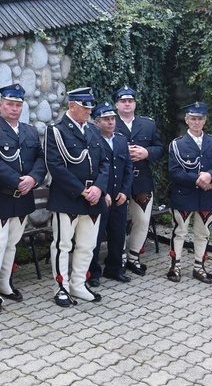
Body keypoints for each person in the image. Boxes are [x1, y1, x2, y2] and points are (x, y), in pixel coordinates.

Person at [0, 83, 46, 312]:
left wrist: (33, 179)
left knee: (12, 244)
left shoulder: (30, 131)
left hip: (23, 198)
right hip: (0, 197)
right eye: (10, 104)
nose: (14, 109)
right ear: (0, 105)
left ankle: (5, 284)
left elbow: (40, 159)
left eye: (18, 105)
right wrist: (18, 181)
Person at [45, 87, 109, 307]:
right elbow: (56, 166)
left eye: (90, 107)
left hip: (94, 197)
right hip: (69, 197)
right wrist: (82, 191)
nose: (89, 111)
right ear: (72, 106)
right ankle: (61, 287)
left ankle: (78, 284)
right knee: (63, 245)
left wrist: (99, 188)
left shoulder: (93, 131)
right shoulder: (56, 131)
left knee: (87, 245)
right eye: (85, 107)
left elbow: (105, 163)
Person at [167, 102, 212, 283]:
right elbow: (174, 171)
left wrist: (210, 175)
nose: (196, 122)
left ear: (205, 120)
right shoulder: (177, 144)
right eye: (193, 118)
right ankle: (175, 266)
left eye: (200, 119)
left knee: (203, 233)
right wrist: (199, 180)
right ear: (187, 120)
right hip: (184, 194)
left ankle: (199, 267)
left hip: (208, 196)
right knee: (180, 232)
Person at [113, 86, 165, 276]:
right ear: (117, 104)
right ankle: (119, 257)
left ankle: (133, 255)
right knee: (116, 221)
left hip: (141, 179)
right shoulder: (110, 122)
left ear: (135, 103)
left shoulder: (148, 125)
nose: (127, 104)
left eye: (131, 101)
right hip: (117, 181)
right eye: (123, 101)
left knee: (142, 220)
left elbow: (160, 148)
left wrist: (147, 152)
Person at [88, 102, 134, 287]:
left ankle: (114, 268)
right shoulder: (92, 140)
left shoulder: (121, 140)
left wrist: (125, 191)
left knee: (118, 234)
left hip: (119, 197)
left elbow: (128, 168)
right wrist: (102, 192)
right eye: (106, 119)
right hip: (101, 197)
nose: (111, 122)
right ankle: (92, 272)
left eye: (112, 119)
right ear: (97, 122)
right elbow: (93, 171)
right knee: (96, 236)